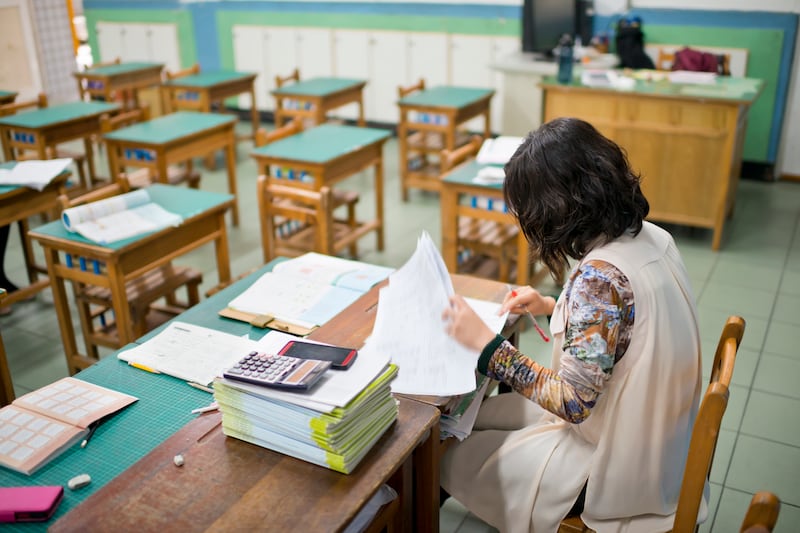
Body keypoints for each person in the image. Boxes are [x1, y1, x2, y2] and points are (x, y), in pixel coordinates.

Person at [440, 117, 703, 532]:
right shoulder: (653, 237)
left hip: (617, 464)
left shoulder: (599, 283)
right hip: (661, 438)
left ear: (556, 211)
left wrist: (488, 349)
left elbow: (573, 403)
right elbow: (627, 325)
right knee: (483, 416)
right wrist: (552, 304)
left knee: (451, 455)